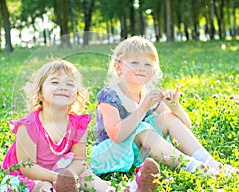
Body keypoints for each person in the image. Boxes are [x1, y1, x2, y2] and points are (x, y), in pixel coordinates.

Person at [0, 59, 160, 192]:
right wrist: (57, 179)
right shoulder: (27, 126)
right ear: (40, 93)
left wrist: (69, 177)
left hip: (62, 171)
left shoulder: (77, 124)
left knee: (86, 174)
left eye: (70, 84)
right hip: (27, 175)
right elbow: (28, 167)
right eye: (55, 82)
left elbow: (78, 160)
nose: (63, 87)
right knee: (41, 186)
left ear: (76, 95)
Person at [90, 36, 235, 177]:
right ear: (118, 67)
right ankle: (194, 167)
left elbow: (184, 129)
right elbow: (117, 136)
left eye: (147, 64)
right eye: (134, 62)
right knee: (142, 128)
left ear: (153, 71)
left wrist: (175, 108)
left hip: (137, 153)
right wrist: (142, 109)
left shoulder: (147, 95)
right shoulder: (110, 96)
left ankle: (212, 163)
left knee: (167, 117)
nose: (141, 68)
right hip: (112, 155)